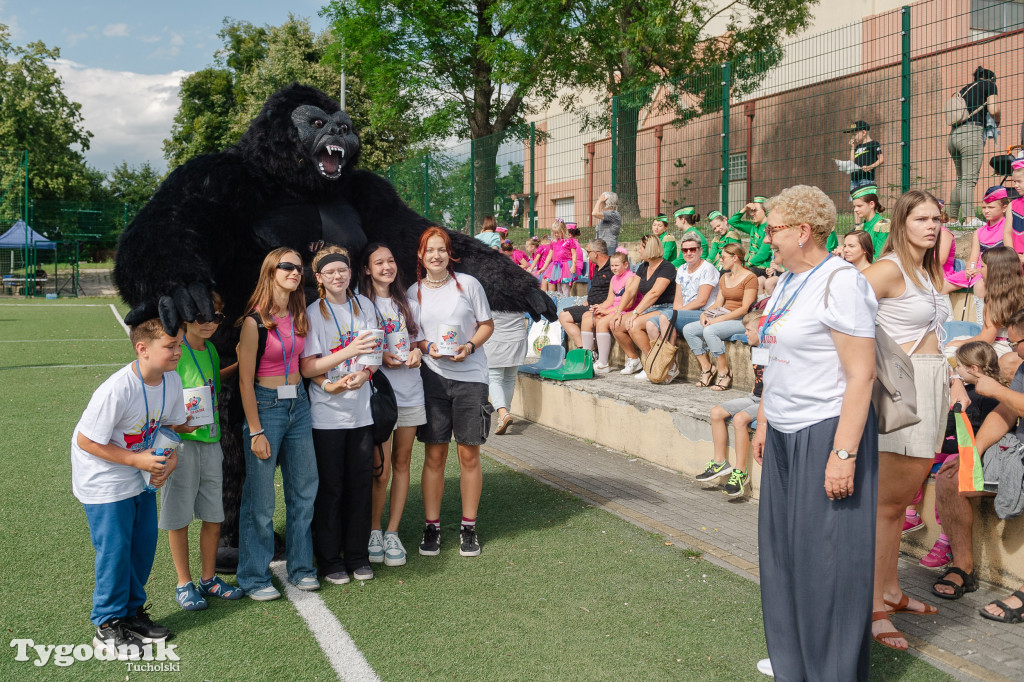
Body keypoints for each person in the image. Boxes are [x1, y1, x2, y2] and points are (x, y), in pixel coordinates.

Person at [751, 184, 879, 682]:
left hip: (826, 430)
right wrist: (763, 422)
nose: (767, 237)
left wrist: (843, 453)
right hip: (782, 428)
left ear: (803, 231)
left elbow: (861, 375)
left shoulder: (841, 282)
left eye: (773, 228)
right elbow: (772, 361)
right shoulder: (787, 280)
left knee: (828, 559)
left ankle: (831, 669)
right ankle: (793, 660)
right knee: (783, 553)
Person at [864, 190, 961, 651]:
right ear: (901, 221)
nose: (931, 225)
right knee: (887, 507)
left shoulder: (926, 271)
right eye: (921, 218)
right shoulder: (887, 269)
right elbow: (842, 317)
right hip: (901, 387)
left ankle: (890, 590)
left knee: (900, 500)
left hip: (933, 383)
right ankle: (873, 607)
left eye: (937, 219)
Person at [72, 317, 188, 656]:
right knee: (115, 551)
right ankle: (107, 625)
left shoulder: (171, 380)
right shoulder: (117, 388)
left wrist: (170, 461)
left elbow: (168, 426)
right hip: (104, 481)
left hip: (140, 479)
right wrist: (138, 461)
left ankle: (131, 613)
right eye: (171, 346)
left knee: (142, 546)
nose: (178, 351)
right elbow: (87, 441)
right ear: (142, 349)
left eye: (179, 344)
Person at [236, 247, 322, 601]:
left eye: (299, 268)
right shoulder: (253, 322)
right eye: (287, 266)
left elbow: (306, 364)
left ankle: (301, 569)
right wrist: (255, 430)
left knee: (304, 492)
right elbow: (244, 382)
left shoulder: (300, 314)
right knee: (260, 500)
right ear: (271, 271)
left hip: (299, 406)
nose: (294, 272)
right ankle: (254, 577)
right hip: (266, 408)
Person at [409, 227, 494, 557]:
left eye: (441, 249)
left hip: (471, 377)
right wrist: (430, 346)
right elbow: (413, 338)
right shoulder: (412, 292)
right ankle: (432, 527)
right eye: (430, 250)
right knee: (434, 454)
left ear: (450, 254)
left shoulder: (468, 285)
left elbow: (486, 325)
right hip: (432, 378)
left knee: (469, 454)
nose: (436, 255)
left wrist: (469, 346)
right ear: (420, 255)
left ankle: (469, 527)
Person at [300, 246, 379, 584]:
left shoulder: (366, 307)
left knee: (360, 486)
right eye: (329, 272)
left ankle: (358, 555)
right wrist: (329, 382)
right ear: (318, 278)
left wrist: (363, 375)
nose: (337, 276)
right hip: (326, 416)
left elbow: (374, 354)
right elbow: (308, 366)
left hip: (360, 414)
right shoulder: (313, 313)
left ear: (351, 273)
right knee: (331, 489)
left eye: (342, 271)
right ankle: (330, 560)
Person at [933, 323, 1024, 617]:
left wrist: (998, 390)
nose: (1012, 351)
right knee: (949, 478)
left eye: (1014, 344)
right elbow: (1006, 411)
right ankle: (963, 567)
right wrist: (974, 452)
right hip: (1012, 450)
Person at [162, 292, 244, 611]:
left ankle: (208, 579)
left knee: (214, 514)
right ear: (186, 317)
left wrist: (239, 362)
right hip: (182, 443)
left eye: (216, 317)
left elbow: (213, 386)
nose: (210, 323)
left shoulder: (209, 349)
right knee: (179, 516)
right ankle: (184, 583)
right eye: (202, 317)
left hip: (211, 440)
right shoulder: (175, 351)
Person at [359, 243, 425, 569]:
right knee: (380, 470)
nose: (387, 266)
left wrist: (416, 354)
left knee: (402, 465)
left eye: (391, 260)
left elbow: (418, 344)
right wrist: (380, 356)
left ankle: (392, 532)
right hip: (380, 397)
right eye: (379, 262)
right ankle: (373, 530)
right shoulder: (361, 304)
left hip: (412, 393)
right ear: (367, 269)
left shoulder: (408, 304)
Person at [698, 311, 764, 497]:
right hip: (754, 397)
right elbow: (758, 376)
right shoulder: (755, 348)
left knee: (740, 419)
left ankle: (741, 472)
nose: (745, 334)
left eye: (749, 330)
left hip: (768, 401)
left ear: (761, 331)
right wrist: (753, 390)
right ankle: (720, 463)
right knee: (716, 412)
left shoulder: (769, 350)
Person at [680, 242, 757, 390]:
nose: (720, 260)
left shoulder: (750, 278)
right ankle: (707, 368)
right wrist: (704, 313)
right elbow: (718, 304)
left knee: (710, 330)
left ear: (735, 257)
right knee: (689, 329)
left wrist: (717, 320)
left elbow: (744, 309)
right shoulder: (724, 277)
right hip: (725, 316)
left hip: (742, 320)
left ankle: (724, 372)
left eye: (723, 257)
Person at [613, 235, 676, 377]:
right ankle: (635, 360)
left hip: (666, 308)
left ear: (649, 249)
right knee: (616, 324)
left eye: (640, 247)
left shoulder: (667, 267)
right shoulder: (643, 267)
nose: (638, 250)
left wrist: (635, 312)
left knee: (634, 324)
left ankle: (651, 364)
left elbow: (655, 293)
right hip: (649, 309)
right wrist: (618, 311)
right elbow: (630, 291)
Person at [649, 232, 719, 352]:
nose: (688, 253)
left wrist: (677, 313)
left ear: (700, 250)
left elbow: (701, 301)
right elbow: (678, 299)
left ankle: (667, 362)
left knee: (666, 316)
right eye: (685, 250)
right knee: (650, 324)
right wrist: (677, 312)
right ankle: (667, 365)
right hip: (684, 312)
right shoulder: (681, 269)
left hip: (703, 312)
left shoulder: (707, 269)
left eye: (692, 249)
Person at [948, 66, 1000, 227]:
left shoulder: (963, 90)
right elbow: (994, 109)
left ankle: (951, 220)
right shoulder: (989, 85)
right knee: (969, 179)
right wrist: (997, 120)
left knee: (961, 179)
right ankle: (970, 219)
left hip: (953, 136)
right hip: (971, 133)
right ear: (991, 79)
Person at [945, 185, 1007, 294]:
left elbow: (1008, 257)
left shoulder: (1008, 228)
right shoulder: (978, 232)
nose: (986, 211)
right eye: (984, 207)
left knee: (981, 285)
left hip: (999, 271)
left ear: (1004, 208)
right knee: (942, 286)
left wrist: (981, 271)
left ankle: (981, 311)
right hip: (977, 271)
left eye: (991, 207)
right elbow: (973, 259)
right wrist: (969, 270)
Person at [585, 252, 640, 374]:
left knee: (602, 322)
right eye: (612, 266)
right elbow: (610, 300)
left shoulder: (630, 278)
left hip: (627, 310)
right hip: (615, 309)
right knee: (587, 317)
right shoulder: (614, 278)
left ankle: (603, 363)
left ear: (626, 265)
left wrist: (606, 311)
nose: (613, 268)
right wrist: (599, 307)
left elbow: (629, 304)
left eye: (616, 265)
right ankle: (587, 357)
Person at [559, 239, 614, 351]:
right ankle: (583, 349)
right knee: (563, 316)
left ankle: (591, 352)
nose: (587, 255)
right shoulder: (598, 267)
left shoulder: (612, 268)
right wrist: (589, 300)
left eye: (588, 252)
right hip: (590, 305)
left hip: (602, 308)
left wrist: (602, 306)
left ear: (595, 253)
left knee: (587, 318)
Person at [486, 310, 528, 435]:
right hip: (518, 340)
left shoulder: (488, 292)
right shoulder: (522, 291)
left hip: (496, 340)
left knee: (493, 378)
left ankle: (503, 413)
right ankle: (503, 416)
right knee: (509, 379)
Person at [827, 186, 889, 255]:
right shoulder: (859, 228)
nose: (855, 210)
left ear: (871, 204)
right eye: (854, 206)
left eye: (859, 206)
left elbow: (879, 257)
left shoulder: (883, 225)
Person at [729, 196, 772, 277]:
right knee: (725, 273)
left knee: (738, 275)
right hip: (750, 265)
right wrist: (745, 209)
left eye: (755, 211)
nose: (752, 214)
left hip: (762, 267)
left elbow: (763, 254)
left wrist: (746, 265)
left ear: (765, 210)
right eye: (751, 211)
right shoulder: (753, 226)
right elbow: (732, 221)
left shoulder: (770, 228)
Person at [844, 120, 883, 195]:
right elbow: (852, 162)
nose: (853, 137)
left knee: (865, 200)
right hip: (854, 179)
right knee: (856, 202)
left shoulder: (874, 144)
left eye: (855, 134)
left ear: (864, 132)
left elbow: (881, 159)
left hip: (866, 179)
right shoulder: (858, 146)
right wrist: (852, 147)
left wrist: (870, 167)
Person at [1003, 159, 1024, 258]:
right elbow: (1007, 233)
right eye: (1014, 182)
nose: (1015, 185)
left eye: (1019, 181)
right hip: (1015, 259)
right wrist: (1013, 256)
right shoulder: (1012, 205)